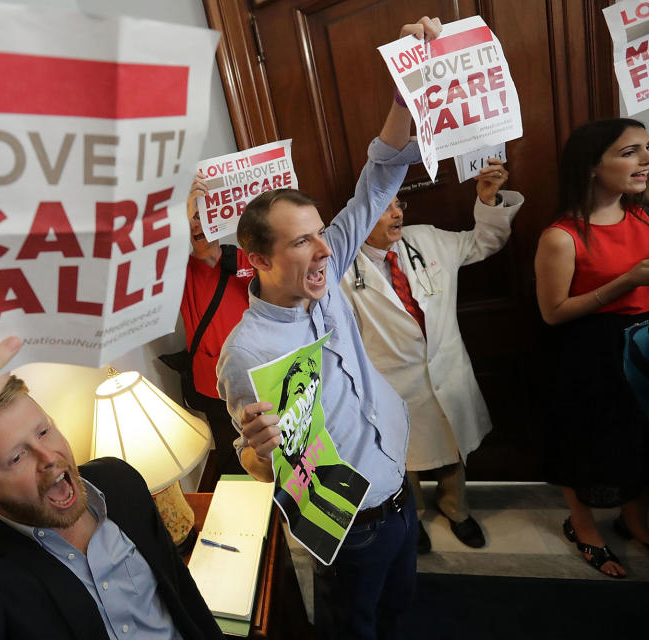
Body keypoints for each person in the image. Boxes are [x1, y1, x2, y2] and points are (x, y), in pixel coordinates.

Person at [217, 16, 442, 640]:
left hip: (398, 489)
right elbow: (264, 461)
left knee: (400, 616)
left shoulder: (326, 264)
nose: (324, 250)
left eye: (321, 232)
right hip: (346, 526)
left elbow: (379, 180)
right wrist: (254, 453)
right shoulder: (248, 352)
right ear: (257, 261)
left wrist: (407, 88)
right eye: (301, 241)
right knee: (351, 629)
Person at [0, 311, 223, 639]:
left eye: (43, 432)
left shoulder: (121, 480)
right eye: (16, 457)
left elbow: (181, 592)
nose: (48, 458)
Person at [338, 160, 524, 554]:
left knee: (453, 446)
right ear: (360, 216)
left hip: (448, 370)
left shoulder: (427, 240)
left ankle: (458, 511)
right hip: (391, 385)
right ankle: (412, 518)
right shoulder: (342, 271)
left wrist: (487, 200)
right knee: (405, 461)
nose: (397, 213)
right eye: (386, 207)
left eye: (398, 204)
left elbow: (483, 243)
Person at [535, 117, 649, 579]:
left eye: (647, 148)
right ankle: (584, 528)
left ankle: (636, 524)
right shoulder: (561, 236)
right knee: (589, 446)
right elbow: (553, 313)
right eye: (630, 152)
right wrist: (624, 283)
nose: (647, 160)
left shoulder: (648, 208)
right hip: (595, 353)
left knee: (646, 440)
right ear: (591, 166)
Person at [179, 173, 253, 490]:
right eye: (192, 218)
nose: (199, 224)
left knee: (274, 449)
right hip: (215, 387)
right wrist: (180, 214)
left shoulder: (246, 259)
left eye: (205, 215)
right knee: (233, 459)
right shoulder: (177, 273)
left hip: (259, 375)